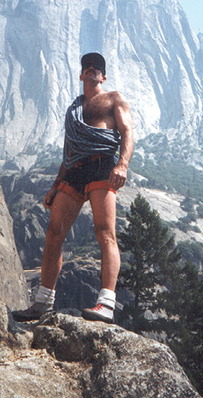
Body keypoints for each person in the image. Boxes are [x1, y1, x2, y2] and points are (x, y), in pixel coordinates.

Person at [12, 52, 134, 323]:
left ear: (103, 75)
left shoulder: (115, 98)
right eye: (87, 66)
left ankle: (106, 304)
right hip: (75, 170)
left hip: (103, 165)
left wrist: (122, 164)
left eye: (97, 68)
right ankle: (43, 302)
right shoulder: (74, 109)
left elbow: (127, 132)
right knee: (54, 233)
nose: (91, 70)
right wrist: (56, 185)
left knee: (105, 232)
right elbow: (69, 150)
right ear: (81, 74)